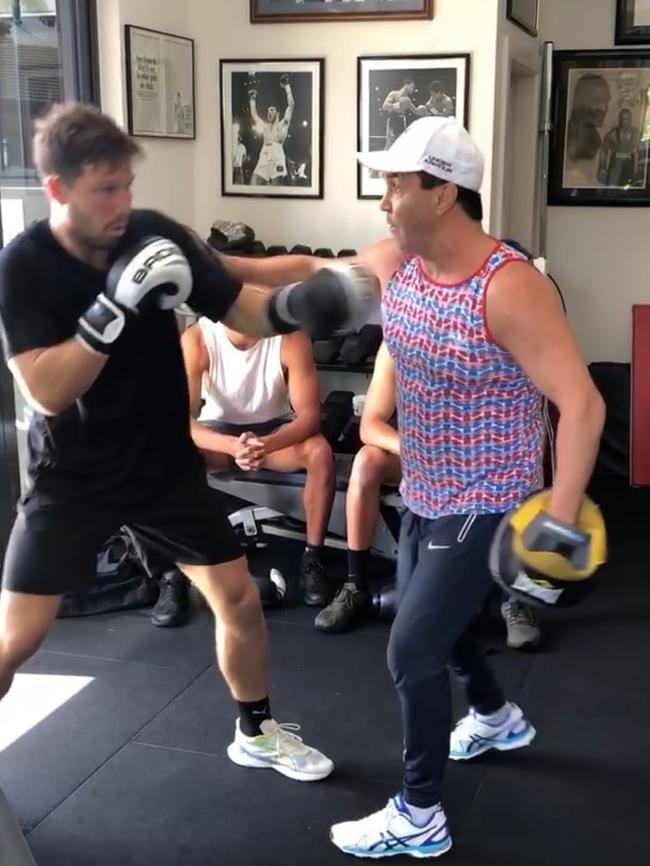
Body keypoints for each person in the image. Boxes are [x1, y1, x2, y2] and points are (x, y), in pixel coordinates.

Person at [225, 117, 606, 857]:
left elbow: (584, 404)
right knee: (452, 633)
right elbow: (305, 270)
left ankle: (420, 811)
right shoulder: (400, 261)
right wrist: (207, 267)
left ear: (443, 193)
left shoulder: (513, 288)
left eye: (396, 184)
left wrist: (556, 520)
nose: (383, 199)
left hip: (488, 498)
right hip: (427, 490)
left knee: (410, 651)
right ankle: (497, 718)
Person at [0, 102, 376, 788]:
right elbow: (47, 391)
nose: (122, 205)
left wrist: (305, 304)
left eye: (127, 186)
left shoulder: (151, 236)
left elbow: (243, 307)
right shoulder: (25, 266)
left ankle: (256, 730)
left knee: (237, 598)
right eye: (104, 191)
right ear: (57, 189)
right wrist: (109, 312)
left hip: (162, 465)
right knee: (16, 639)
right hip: (73, 475)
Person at [180, 319, 336, 609]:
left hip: (274, 435)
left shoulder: (290, 337)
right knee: (173, 452)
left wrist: (266, 445)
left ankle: (313, 560)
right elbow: (182, 419)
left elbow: (309, 418)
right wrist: (233, 446)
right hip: (220, 438)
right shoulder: (198, 338)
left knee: (319, 452)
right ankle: (175, 574)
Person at [315, 341, 400, 633]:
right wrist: (415, 449)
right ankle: (356, 584)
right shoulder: (397, 342)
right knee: (365, 462)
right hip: (416, 452)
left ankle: (512, 599)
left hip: (473, 456)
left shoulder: (483, 338)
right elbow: (370, 425)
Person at [249, 75, 294, 186]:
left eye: (272, 110)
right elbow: (254, 115)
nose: (269, 112)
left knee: (276, 191)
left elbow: (291, 105)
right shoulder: (265, 127)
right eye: (268, 110)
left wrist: (287, 86)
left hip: (277, 157)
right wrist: (252, 99)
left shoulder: (283, 123)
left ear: (278, 113)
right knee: (253, 186)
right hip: (264, 157)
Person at [598, 108, 640, 188]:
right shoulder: (613, 133)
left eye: (627, 118)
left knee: (626, 189)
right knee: (612, 186)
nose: (625, 121)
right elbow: (604, 150)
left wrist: (635, 171)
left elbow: (636, 152)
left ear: (631, 119)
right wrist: (603, 168)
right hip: (616, 164)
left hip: (629, 164)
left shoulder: (635, 133)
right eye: (623, 119)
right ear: (620, 119)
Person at [382, 79, 418, 148]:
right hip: (393, 120)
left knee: (401, 144)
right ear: (406, 85)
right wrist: (398, 105)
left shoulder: (407, 100)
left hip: (402, 121)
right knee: (390, 143)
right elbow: (384, 106)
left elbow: (416, 111)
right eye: (411, 86)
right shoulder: (394, 94)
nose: (412, 89)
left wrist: (425, 111)